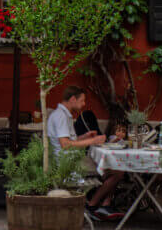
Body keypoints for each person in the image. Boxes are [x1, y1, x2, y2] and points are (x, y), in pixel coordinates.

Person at [46, 85, 123, 221]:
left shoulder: (62, 114)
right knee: (117, 171)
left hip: (69, 161)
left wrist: (85, 136)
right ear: (73, 99)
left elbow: (68, 141)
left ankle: (102, 204)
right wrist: (93, 141)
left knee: (112, 168)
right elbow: (65, 144)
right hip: (68, 165)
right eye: (82, 100)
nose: (84, 104)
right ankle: (92, 205)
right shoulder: (61, 116)